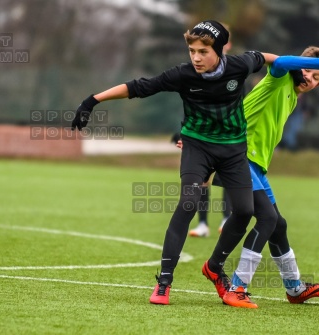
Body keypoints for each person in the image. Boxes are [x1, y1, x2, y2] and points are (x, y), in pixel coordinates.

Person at [72, 20, 274, 305]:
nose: (195, 57)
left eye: (203, 51)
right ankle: (164, 281)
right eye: (192, 50)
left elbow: (268, 58)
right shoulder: (182, 74)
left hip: (233, 150)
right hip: (197, 146)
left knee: (244, 211)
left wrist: (304, 65)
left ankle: (215, 268)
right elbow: (138, 87)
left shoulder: (240, 65)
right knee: (189, 202)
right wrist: (91, 101)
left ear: (218, 50)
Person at [200, 47, 319, 308]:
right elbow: (281, 61)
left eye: (317, 78)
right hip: (236, 155)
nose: (310, 79)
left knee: (278, 225)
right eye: (308, 71)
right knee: (267, 218)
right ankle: (237, 287)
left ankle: (294, 288)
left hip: (255, 164)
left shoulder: (292, 95)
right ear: (298, 65)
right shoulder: (279, 76)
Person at [170, 132, 232, 237]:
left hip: (224, 140)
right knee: (202, 182)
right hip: (203, 143)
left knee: (226, 179)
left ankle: (226, 219)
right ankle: (203, 224)